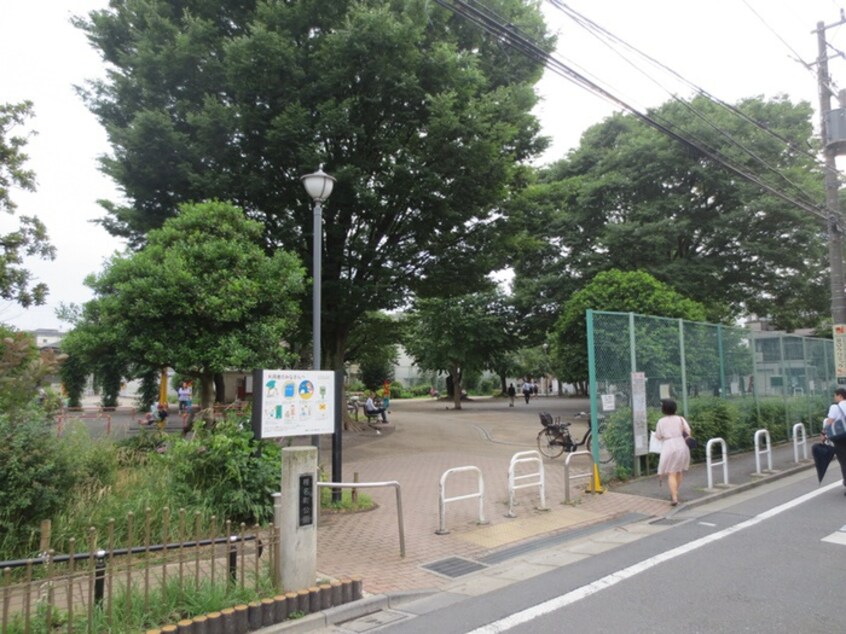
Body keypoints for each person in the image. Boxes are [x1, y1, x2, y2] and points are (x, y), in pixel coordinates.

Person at [654, 398, 691, 506]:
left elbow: (658, 436)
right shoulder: (680, 419)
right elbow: (688, 431)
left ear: (664, 409)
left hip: (669, 446)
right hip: (681, 444)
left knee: (671, 472)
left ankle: (674, 497)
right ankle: (675, 491)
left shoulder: (661, 421)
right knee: (679, 471)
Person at [822, 387, 846, 492]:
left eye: (835, 395)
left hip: (841, 438)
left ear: (840, 395)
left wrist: (823, 433)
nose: (834, 397)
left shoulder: (835, 407)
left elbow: (830, 421)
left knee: (844, 461)